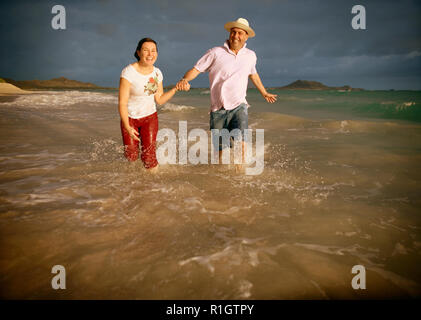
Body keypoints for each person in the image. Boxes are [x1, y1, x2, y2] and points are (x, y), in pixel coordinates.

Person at [177, 18, 277, 165]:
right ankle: (222, 176)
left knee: (242, 140)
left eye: (240, 33)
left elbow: (253, 74)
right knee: (221, 149)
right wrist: (184, 80)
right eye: (233, 32)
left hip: (239, 105)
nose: (236, 35)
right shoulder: (215, 52)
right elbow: (196, 69)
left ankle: (241, 173)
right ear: (230, 34)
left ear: (246, 36)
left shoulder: (251, 56)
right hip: (218, 109)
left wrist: (264, 92)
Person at [118, 38, 189, 172]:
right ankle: (130, 184)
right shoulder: (128, 72)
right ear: (138, 52)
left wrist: (175, 89)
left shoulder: (157, 73)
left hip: (150, 118)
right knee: (131, 156)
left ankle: (153, 187)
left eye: (153, 50)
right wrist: (127, 126)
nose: (150, 54)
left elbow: (160, 100)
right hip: (130, 119)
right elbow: (122, 102)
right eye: (146, 50)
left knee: (149, 157)